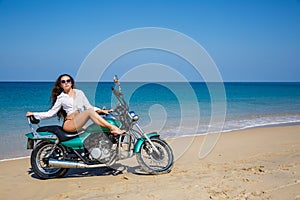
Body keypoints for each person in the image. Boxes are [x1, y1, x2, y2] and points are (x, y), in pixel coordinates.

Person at [26, 74, 125, 135]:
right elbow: (51, 113)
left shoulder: (79, 93)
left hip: (79, 122)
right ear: (60, 85)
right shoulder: (61, 98)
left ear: (71, 82)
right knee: (89, 112)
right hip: (69, 124)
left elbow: (89, 107)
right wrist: (34, 114)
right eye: (63, 81)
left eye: (68, 81)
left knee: (94, 128)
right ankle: (112, 128)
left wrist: (102, 111)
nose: (66, 83)